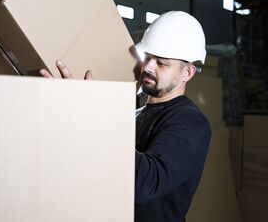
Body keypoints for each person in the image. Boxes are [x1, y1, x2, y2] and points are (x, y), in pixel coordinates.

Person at [40, 11, 211, 222]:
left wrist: (87, 112)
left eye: (161, 63)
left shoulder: (190, 123)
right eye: (147, 57)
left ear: (187, 73)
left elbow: (145, 185)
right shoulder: (134, 113)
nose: (147, 67)